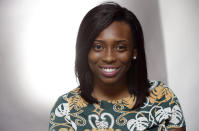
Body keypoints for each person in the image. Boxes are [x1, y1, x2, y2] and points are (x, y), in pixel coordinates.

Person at [48, 2, 186, 131]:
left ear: (134, 52)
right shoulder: (66, 109)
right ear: (85, 52)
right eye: (98, 47)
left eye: (120, 47)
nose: (109, 58)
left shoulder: (162, 98)